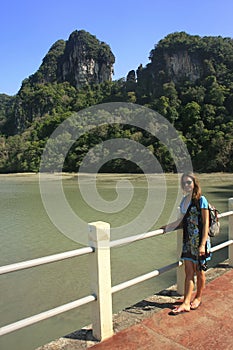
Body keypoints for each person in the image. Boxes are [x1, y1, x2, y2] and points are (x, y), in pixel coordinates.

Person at [162, 172, 211, 315]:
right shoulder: (183, 201)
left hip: (200, 242)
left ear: (195, 183)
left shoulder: (201, 200)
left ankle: (198, 297)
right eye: (184, 183)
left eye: (189, 182)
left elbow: (206, 223)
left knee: (200, 272)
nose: (186, 185)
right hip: (188, 241)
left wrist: (202, 245)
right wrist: (166, 227)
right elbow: (181, 221)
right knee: (188, 272)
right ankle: (185, 302)